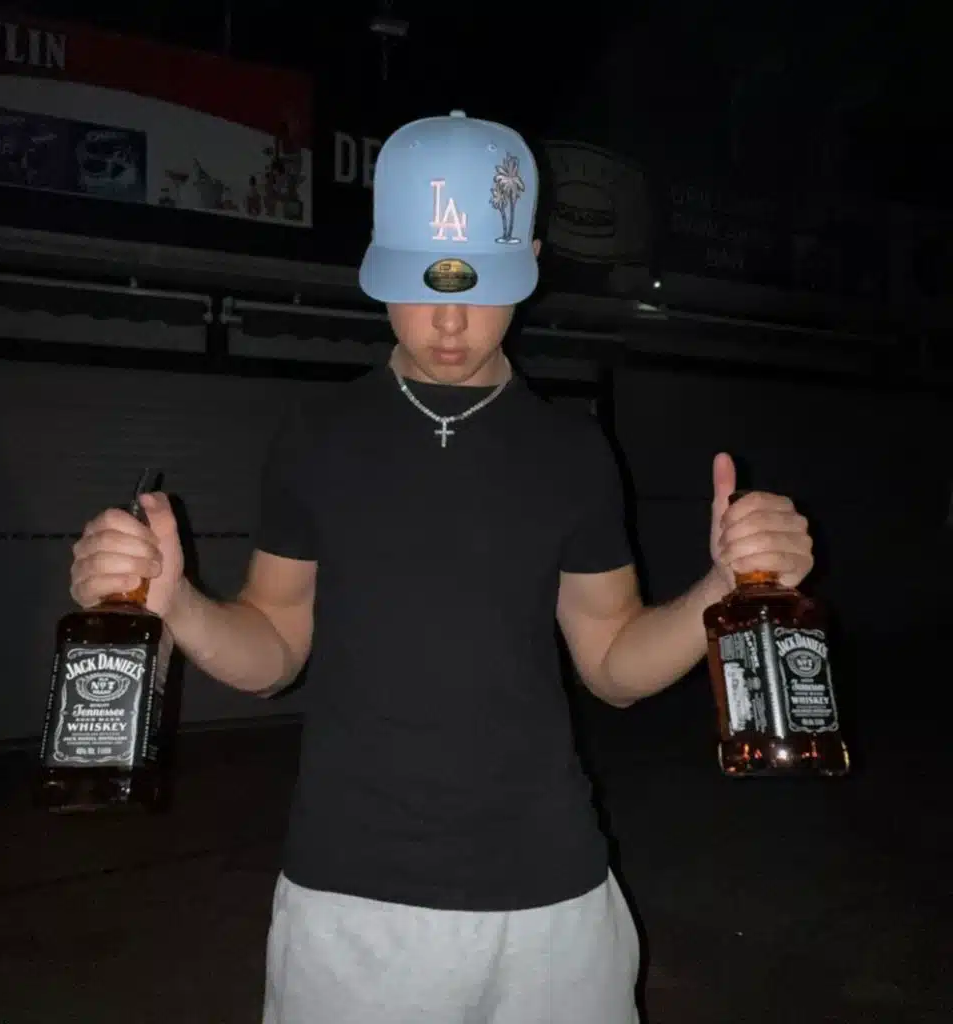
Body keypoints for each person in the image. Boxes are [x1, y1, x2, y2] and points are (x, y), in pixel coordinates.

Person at [68, 111, 815, 1023]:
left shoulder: (573, 452)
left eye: (480, 287)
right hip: (351, 900)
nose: (451, 323)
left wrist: (724, 589)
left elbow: (613, 664)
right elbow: (271, 651)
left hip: (553, 897)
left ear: (530, 262)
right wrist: (177, 602)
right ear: (379, 261)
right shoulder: (315, 438)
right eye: (424, 287)